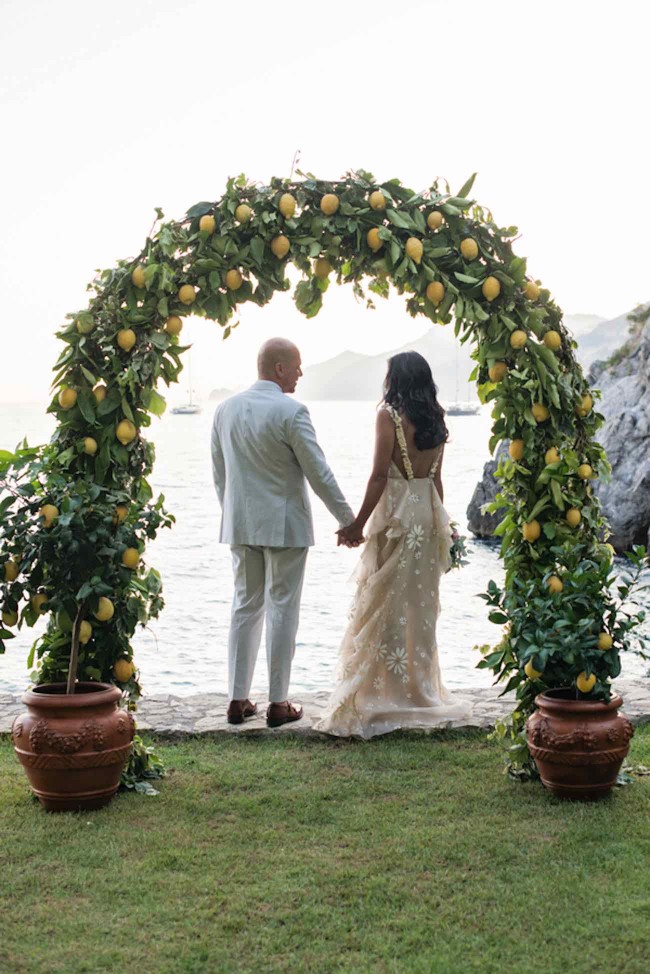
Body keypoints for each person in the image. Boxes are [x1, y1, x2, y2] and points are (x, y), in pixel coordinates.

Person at [314, 351, 472, 738]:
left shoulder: (388, 415)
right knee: (419, 607)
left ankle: (381, 691)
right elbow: (437, 482)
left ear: (395, 379)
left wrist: (356, 524)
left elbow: (379, 476)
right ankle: (419, 691)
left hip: (398, 517)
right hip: (427, 516)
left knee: (382, 601)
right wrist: (446, 526)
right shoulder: (437, 417)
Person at [211, 338, 355, 728]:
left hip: (240, 524)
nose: (300, 373)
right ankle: (277, 703)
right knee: (282, 608)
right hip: (286, 526)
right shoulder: (292, 412)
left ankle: (237, 700)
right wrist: (348, 520)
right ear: (278, 368)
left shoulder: (225, 410)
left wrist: (234, 515)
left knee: (244, 607)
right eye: (297, 366)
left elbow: (219, 474)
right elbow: (318, 471)